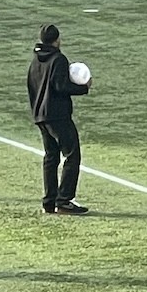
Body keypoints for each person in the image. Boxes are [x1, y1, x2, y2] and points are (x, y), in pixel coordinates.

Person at [27, 23, 91, 215]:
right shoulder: (58, 59)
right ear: (57, 40)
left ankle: (49, 201)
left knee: (51, 156)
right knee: (72, 155)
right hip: (58, 115)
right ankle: (64, 200)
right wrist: (84, 87)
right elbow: (61, 86)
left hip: (40, 115)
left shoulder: (35, 61)